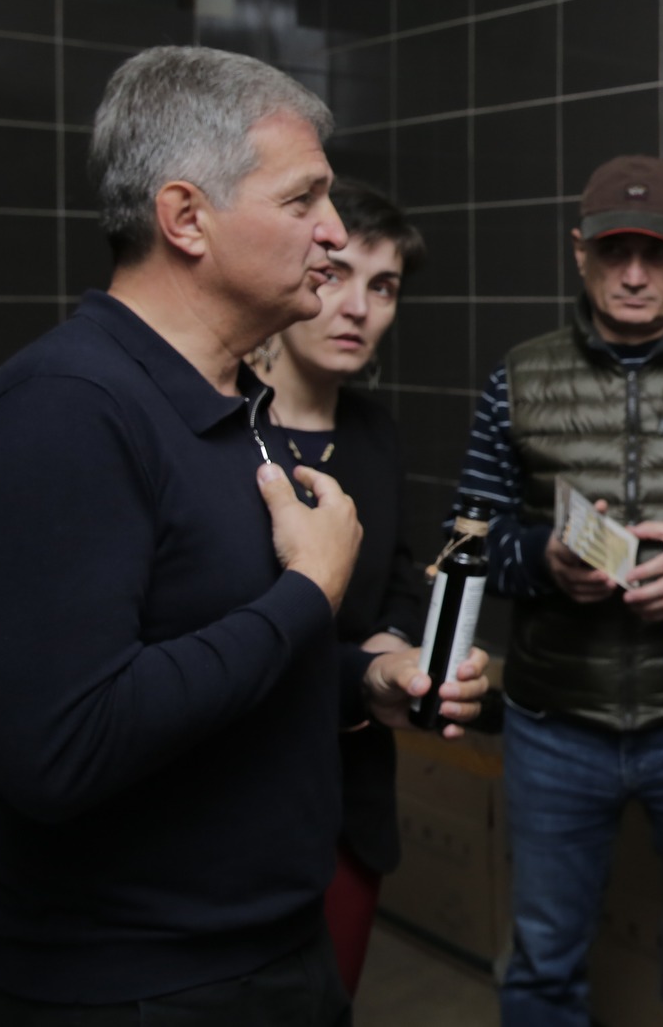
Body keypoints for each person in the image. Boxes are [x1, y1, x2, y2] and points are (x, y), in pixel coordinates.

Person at [0, 47, 487, 1025]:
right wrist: (308, 594)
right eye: (302, 199)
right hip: (129, 987)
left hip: (272, 951)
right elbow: (64, 748)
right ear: (186, 217)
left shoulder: (237, 410)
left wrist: (364, 679)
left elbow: (221, 653)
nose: (333, 231)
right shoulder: (64, 410)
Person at [450, 153, 663, 1027]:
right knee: (542, 958)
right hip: (554, 722)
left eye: (656, 252)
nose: (634, 273)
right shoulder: (517, 376)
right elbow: (466, 542)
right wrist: (544, 558)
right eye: (613, 251)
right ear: (580, 251)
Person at [249, 178, 431, 996]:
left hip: (351, 788)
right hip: (239, 793)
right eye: (336, 275)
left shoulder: (374, 430)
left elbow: (400, 573)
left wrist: (394, 649)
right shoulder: (231, 428)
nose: (357, 307)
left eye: (383, 286)